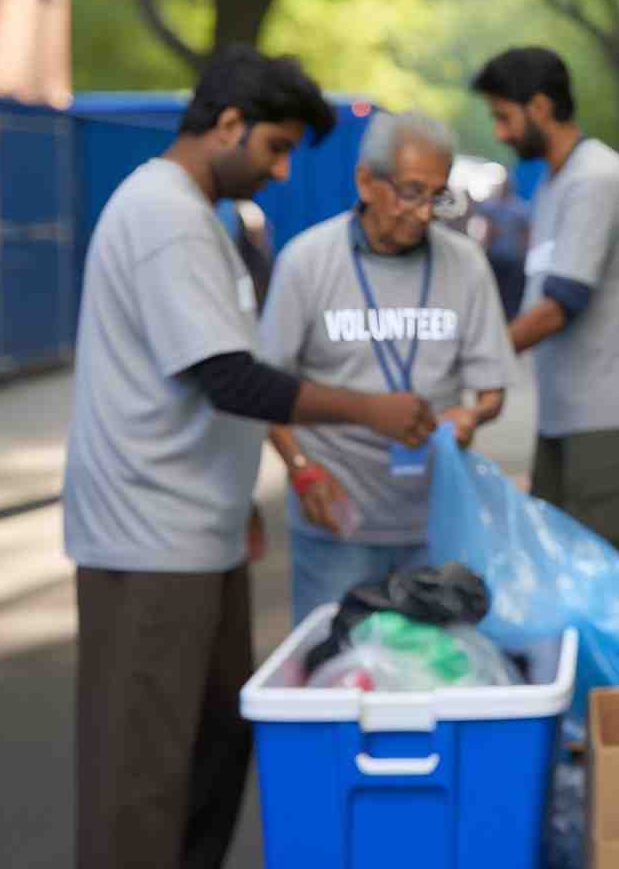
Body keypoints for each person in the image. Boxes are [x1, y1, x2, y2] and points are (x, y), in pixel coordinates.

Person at [63, 46, 438, 869]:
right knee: (144, 771)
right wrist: (369, 410)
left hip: (198, 531)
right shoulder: (163, 216)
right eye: (273, 148)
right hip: (147, 538)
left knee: (216, 745)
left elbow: (204, 373)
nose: (277, 172)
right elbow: (229, 377)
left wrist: (240, 500)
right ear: (225, 124)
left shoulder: (199, 217)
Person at [259, 110, 517, 625]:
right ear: (365, 181)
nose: (424, 213)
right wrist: (302, 471)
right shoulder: (306, 263)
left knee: (433, 671)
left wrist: (472, 417)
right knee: (336, 676)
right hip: (337, 525)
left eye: (437, 196)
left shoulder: (465, 265)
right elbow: (265, 391)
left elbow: (492, 390)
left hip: (437, 523)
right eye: (410, 191)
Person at [472, 46, 619, 563]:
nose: (500, 133)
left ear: (539, 107)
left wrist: (478, 355)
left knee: (611, 580)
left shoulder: (594, 179)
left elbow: (561, 304)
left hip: (609, 419)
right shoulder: (557, 183)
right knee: (567, 574)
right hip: (567, 417)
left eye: (504, 117)